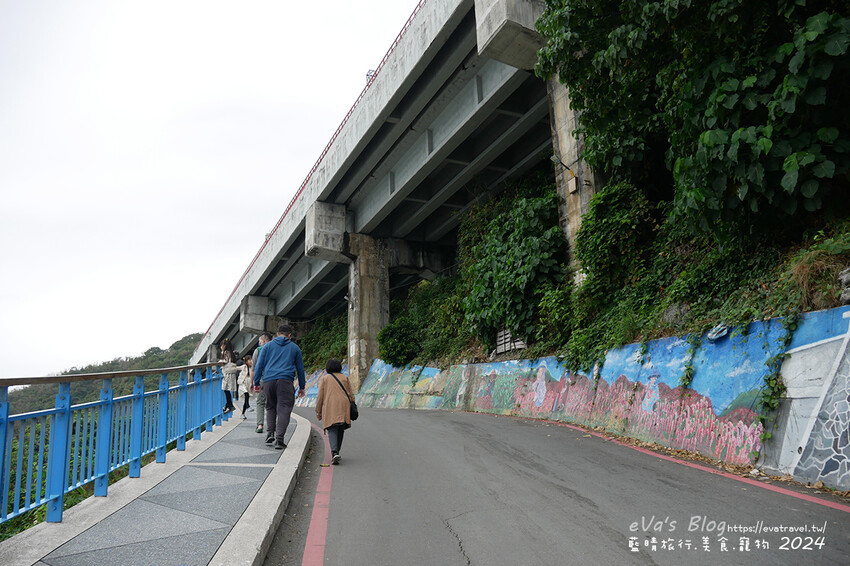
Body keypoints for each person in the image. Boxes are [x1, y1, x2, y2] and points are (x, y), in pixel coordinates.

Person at [253, 324, 306, 450]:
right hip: (285, 381)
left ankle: (270, 433)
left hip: (268, 381)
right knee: (284, 409)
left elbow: (259, 365)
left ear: (277, 334)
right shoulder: (295, 348)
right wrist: (302, 386)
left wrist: (256, 383)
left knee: (270, 406)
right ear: (289, 335)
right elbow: (300, 369)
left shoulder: (267, 346)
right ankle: (279, 439)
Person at [315, 359, 354, 465]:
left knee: (332, 427)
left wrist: (318, 411)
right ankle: (337, 452)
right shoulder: (345, 378)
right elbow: (350, 394)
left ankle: (334, 452)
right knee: (341, 427)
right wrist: (353, 404)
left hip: (330, 406)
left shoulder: (325, 379)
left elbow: (320, 396)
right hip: (343, 405)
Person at [252, 333, 272, 434]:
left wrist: (254, 382)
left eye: (260, 342)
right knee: (272, 402)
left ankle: (260, 425)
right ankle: (272, 427)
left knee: (260, 402)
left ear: (263, 341)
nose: (260, 344)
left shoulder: (258, 350)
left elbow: (254, 368)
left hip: (262, 379)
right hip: (274, 379)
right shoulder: (275, 349)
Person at [219, 339, 239, 413]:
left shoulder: (226, 353)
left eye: (222, 345)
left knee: (225, 388)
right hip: (231, 372)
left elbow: (225, 361)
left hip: (228, 373)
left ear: (225, 346)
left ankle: (229, 405)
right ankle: (228, 404)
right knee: (226, 389)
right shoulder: (231, 352)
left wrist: (220, 362)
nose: (221, 347)